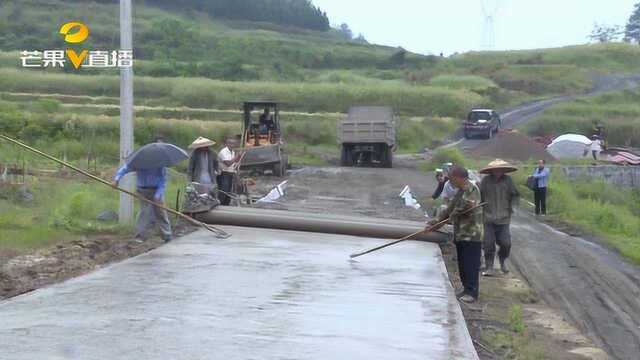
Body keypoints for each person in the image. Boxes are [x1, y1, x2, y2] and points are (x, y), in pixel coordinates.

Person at [429, 166, 483, 303]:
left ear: (460, 177)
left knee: (471, 264)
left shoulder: (471, 189)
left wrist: (441, 223)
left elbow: (463, 208)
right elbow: (450, 208)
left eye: (452, 178)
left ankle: (472, 292)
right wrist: (436, 221)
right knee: (463, 264)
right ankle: (466, 289)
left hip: (472, 234)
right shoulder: (460, 190)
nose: (451, 181)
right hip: (460, 233)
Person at [113, 161, 172, 242]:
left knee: (160, 212)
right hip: (142, 190)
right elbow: (125, 169)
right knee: (144, 211)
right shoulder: (139, 161)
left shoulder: (159, 164)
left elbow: (162, 181)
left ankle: (167, 235)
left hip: (156, 189)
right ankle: (140, 235)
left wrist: (157, 196)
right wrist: (117, 179)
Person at [479, 159, 520, 276]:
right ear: (491, 171)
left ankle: (502, 260)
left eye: (500, 170)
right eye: (495, 170)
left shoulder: (508, 180)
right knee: (488, 243)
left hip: (504, 218)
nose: (498, 172)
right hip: (488, 218)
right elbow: (479, 196)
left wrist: (513, 207)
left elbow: (515, 195)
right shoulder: (485, 181)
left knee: (506, 243)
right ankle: (489, 266)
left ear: (503, 171)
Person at [185, 137, 219, 213]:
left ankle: (210, 210)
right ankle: (199, 211)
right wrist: (189, 179)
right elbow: (190, 168)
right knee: (199, 195)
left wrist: (217, 170)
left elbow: (216, 163)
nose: (203, 148)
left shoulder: (212, 153)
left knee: (210, 194)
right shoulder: (195, 154)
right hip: (198, 177)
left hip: (209, 176)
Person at [217, 137, 244, 206]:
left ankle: (226, 205)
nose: (232, 145)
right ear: (227, 144)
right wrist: (236, 157)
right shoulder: (223, 152)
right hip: (223, 174)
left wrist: (239, 157)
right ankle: (220, 205)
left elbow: (234, 162)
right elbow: (228, 163)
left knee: (229, 191)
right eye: (230, 143)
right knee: (224, 191)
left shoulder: (232, 152)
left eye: (234, 144)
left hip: (230, 173)